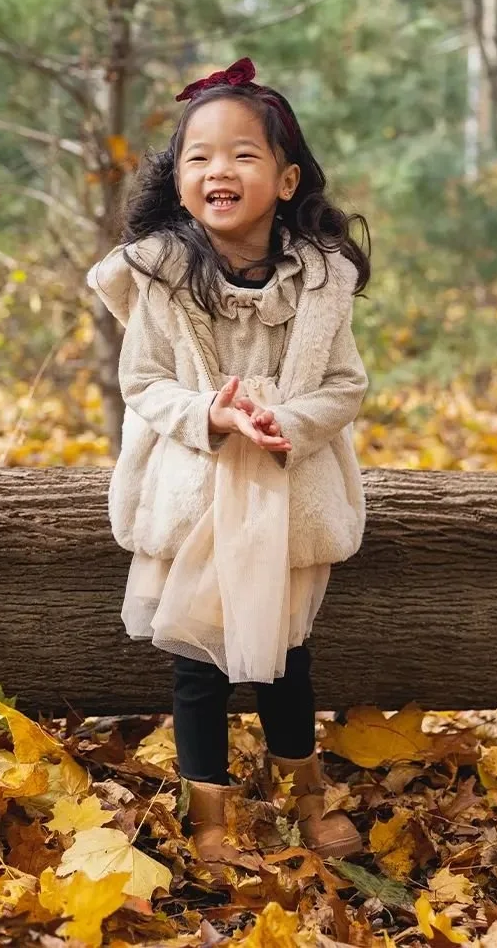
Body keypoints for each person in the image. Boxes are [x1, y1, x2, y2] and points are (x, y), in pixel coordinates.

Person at [87, 56, 371, 873]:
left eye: (243, 155)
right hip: (196, 486)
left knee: (287, 657)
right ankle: (207, 810)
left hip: (286, 490)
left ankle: (306, 794)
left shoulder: (318, 282)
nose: (220, 170)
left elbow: (347, 383)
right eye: (199, 157)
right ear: (178, 184)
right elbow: (142, 380)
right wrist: (207, 414)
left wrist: (288, 419)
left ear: (285, 180)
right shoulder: (160, 277)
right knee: (197, 669)